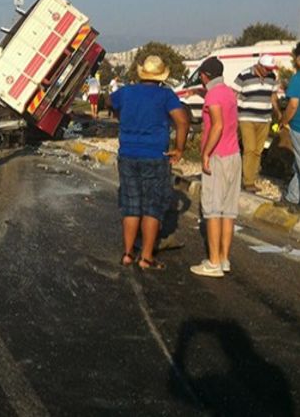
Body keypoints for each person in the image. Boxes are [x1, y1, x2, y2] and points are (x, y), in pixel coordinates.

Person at [111, 55, 189, 270]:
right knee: (152, 207)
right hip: (155, 155)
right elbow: (182, 120)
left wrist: (123, 117)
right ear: (161, 77)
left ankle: (128, 254)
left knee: (131, 206)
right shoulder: (165, 95)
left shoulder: (126, 92)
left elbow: (111, 102)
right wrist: (179, 148)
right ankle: (146, 257)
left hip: (128, 154)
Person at [190, 57, 240, 278]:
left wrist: (205, 154)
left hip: (218, 155)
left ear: (204, 75)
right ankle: (224, 258)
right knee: (229, 211)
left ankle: (213, 263)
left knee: (212, 210)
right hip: (234, 154)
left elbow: (217, 125)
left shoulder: (213, 95)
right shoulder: (228, 92)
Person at [235, 54, 279, 192]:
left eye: (270, 68)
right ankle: (248, 182)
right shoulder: (244, 75)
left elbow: (273, 96)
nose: (269, 71)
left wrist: (278, 112)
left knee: (258, 151)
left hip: (264, 118)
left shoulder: (272, 77)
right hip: (246, 117)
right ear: (259, 66)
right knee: (250, 148)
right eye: (267, 68)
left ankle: (252, 177)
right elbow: (234, 94)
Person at [281, 42, 300, 209]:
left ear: (298, 58)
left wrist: (284, 120)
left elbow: (293, 105)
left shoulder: (298, 78)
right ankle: (293, 196)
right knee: (298, 163)